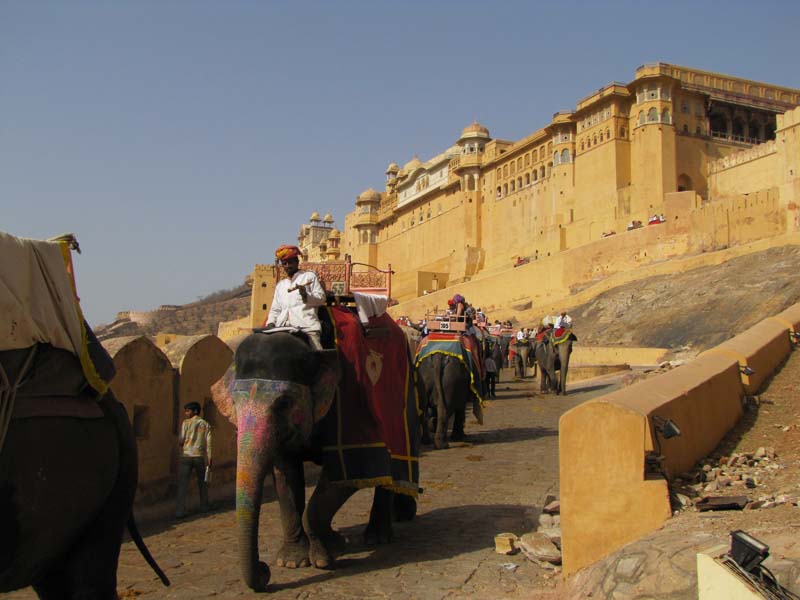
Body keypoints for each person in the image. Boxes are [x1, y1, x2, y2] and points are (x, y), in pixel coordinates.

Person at [265, 244, 327, 350]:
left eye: (290, 262)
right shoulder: (281, 285)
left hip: (306, 327)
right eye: (285, 263)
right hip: (283, 328)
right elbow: (275, 309)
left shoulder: (308, 277)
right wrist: (271, 322)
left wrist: (305, 296)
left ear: (297, 262)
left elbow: (321, 299)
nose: (288, 266)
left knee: (317, 355)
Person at [175, 401, 212, 519]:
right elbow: (209, 443)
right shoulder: (205, 424)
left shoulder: (185, 423)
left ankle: (180, 510)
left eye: (188, 411)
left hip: (186, 456)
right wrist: (210, 458)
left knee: (183, 484)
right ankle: (204, 505)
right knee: (202, 482)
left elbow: (181, 441)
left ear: (195, 411)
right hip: (199, 456)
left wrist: (183, 445)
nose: (186, 413)